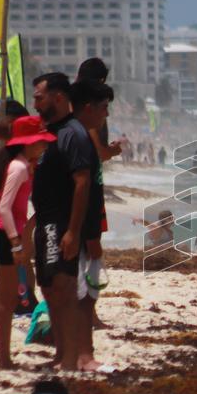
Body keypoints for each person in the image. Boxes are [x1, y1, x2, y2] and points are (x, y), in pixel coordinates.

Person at [0, 116, 54, 369]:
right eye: (40, 143)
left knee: (5, 299)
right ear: (28, 143)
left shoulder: (20, 165)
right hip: (6, 236)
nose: (43, 147)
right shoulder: (19, 168)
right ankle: (2, 358)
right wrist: (16, 242)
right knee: (6, 301)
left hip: (6, 234)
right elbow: (4, 207)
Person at [31, 72, 93, 371]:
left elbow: (83, 183)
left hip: (60, 224)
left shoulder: (72, 133)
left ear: (58, 97)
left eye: (39, 97)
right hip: (45, 224)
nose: (34, 103)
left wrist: (73, 231)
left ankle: (70, 359)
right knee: (48, 289)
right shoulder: (49, 131)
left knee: (63, 289)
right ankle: (60, 354)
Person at [71, 79, 114, 369]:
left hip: (82, 225)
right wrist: (86, 233)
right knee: (83, 294)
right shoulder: (79, 137)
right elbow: (81, 188)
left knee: (82, 292)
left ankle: (74, 353)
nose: (106, 115)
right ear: (89, 107)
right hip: (81, 227)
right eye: (103, 108)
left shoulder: (76, 135)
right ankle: (83, 354)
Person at [76, 57, 122, 164]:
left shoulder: (70, 100)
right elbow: (100, 153)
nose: (107, 113)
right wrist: (112, 151)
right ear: (100, 80)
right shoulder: (89, 108)